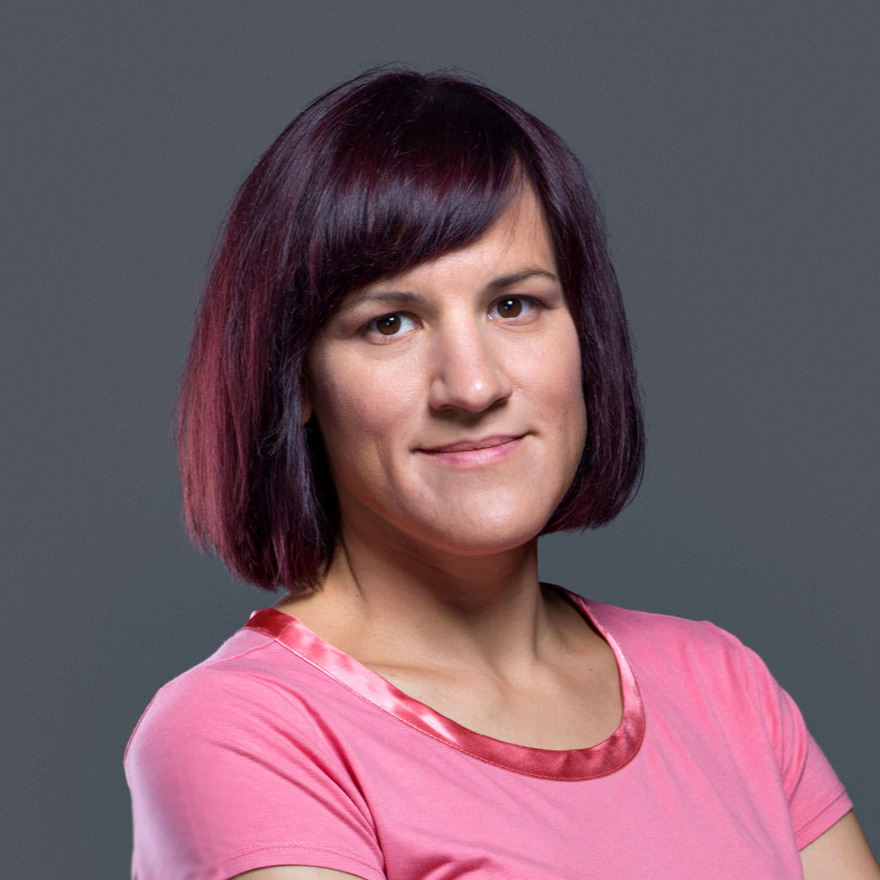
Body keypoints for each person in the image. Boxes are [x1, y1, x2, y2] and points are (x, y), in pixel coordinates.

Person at [125, 68, 879, 880]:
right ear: (297, 378)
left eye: (514, 305)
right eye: (390, 322)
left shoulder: (722, 687)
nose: (474, 385)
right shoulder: (242, 731)